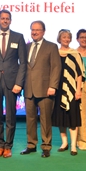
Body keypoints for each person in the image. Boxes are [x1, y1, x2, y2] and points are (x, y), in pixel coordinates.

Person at [0, 10, 27, 159]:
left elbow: (23, 63)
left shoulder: (18, 37)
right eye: (2, 18)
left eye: (7, 18)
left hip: (12, 82)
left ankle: (8, 146)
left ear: (10, 21)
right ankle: (0, 145)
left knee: (10, 117)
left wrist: (19, 83)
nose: (5, 20)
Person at [20, 21, 61, 158]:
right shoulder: (26, 47)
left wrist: (53, 86)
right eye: (33, 29)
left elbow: (56, 68)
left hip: (45, 89)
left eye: (38, 30)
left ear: (43, 31)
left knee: (45, 120)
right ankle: (31, 145)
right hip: (28, 89)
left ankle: (46, 146)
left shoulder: (51, 46)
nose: (35, 32)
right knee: (30, 119)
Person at [52, 29, 83, 156]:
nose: (66, 39)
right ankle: (64, 142)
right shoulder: (54, 53)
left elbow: (79, 74)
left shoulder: (75, 54)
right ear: (59, 39)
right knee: (61, 117)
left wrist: (78, 90)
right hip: (58, 89)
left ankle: (73, 145)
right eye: (63, 37)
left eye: (68, 37)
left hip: (72, 90)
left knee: (72, 117)